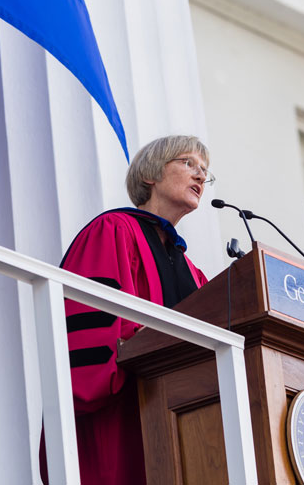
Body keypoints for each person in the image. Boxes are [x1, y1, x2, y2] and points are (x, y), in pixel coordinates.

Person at [61, 135, 212, 485]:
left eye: (204, 170)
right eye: (188, 163)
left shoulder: (194, 273)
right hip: (123, 415)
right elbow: (96, 334)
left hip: (184, 424)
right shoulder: (112, 231)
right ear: (151, 175)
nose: (200, 176)